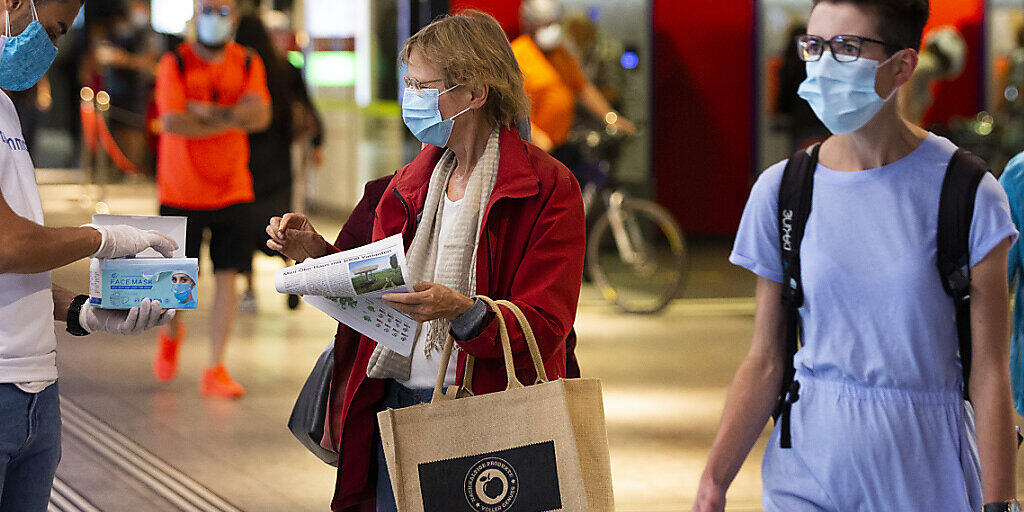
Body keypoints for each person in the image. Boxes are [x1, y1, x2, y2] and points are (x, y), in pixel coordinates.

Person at [692, 1, 1019, 511]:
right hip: (809, 459)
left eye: (846, 48)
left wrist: (1002, 502)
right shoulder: (783, 190)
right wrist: (715, 480)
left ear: (902, 66)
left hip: (927, 462)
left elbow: (990, 373)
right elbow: (765, 359)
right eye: (814, 46)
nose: (823, 64)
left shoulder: (968, 191)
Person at [265, 11, 585, 511]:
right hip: (396, 403)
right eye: (408, 83)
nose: (412, 98)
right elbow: (361, 272)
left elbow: (547, 324)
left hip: (491, 411)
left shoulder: (546, 189)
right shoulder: (404, 185)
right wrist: (312, 252)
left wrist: (463, 310)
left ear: (476, 92)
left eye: (423, 85)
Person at [0, 0, 179, 509]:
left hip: (35, 388)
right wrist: (102, 238)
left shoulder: (5, 106)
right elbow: (7, 244)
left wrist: (83, 310)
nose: (51, 49)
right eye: (53, 31)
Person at [153, 0, 271, 398]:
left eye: (222, 10)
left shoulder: (249, 62)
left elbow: (261, 116)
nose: (215, 18)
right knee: (175, 285)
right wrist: (231, 116)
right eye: (207, 8)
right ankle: (172, 332)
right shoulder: (175, 62)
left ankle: (215, 366)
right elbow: (173, 122)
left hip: (233, 189)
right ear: (194, 14)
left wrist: (204, 112)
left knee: (227, 278)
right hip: (180, 189)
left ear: (234, 18)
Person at [233, 13, 323, 313]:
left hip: (242, 157)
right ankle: (291, 278)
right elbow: (308, 105)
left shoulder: (239, 68)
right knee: (280, 220)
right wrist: (317, 142)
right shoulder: (286, 66)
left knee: (244, 226)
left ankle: (248, 290)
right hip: (279, 157)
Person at [511, 0, 635, 170]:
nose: (552, 28)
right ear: (530, 24)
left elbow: (583, 88)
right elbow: (510, 108)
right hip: (531, 151)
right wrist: (536, 137)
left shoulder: (561, 53)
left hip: (561, 147)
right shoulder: (517, 55)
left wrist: (610, 117)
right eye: (546, 24)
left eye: (555, 22)